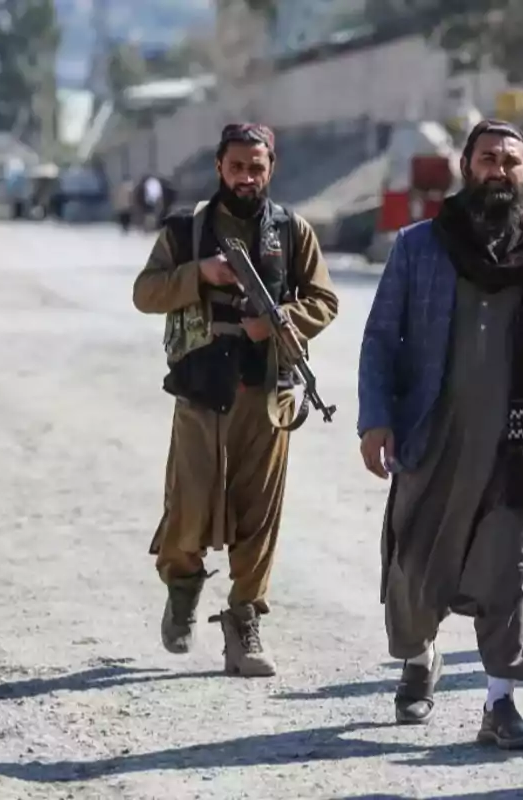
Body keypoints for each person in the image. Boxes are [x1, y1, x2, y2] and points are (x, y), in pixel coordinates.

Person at [357, 119, 523, 750]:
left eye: (512, 161)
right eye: (488, 158)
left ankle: (500, 702)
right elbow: (382, 339)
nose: (500, 170)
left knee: (512, 571)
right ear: (467, 167)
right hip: (433, 438)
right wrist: (375, 419)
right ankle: (419, 659)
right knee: (414, 568)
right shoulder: (420, 247)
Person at [132, 123, 339, 677]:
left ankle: (244, 619)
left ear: (271, 168)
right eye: (237, 167)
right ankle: (181, 586)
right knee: (188, 507)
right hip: (200, 392)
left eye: (257, 167)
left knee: (258, 515)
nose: (247, 177)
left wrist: (274, 325)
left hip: (267, 394)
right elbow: (144, 292)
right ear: (219, 168)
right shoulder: (186, 231)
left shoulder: (292, 231)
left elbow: (324, 299)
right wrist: (198, 274)